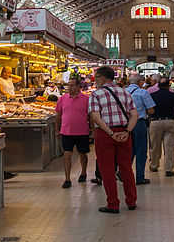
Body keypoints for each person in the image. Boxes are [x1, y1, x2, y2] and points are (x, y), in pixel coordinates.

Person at [88, 66, 138, 214]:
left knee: (107, 169)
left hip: (105, 134)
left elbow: (96, 116)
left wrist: (110, 133)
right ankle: (131, 201)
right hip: (124, 132)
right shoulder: (125, 93)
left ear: (103, 78)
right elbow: (134, 115)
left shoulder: (96, 94)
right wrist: (127, 131)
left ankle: (113, 204)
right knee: (126, 168)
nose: (95, 80)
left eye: (96, 77)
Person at [55, 76, 91, 189]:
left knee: (83, 154)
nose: (69, 87)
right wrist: (57, 129)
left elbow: (90, 116)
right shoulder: (62, 99)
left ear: (78, 86)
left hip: (82, 131)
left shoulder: (86, 99)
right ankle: (67, 179)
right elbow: (58, 115)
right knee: (67, 155)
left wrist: (93, 131)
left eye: (72, 85)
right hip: (66, 131)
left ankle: (84, 172)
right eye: (68, 85)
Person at [147, 78, 174, 176]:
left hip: (155, 122)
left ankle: (154, 165)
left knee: (155, 146)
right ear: (168, 85)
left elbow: (149, 110)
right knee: (169, 146)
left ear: (158, 86)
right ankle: (169, 169)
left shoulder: (152, 96)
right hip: (170, 122)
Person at [125, 73, 154, 184]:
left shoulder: (123, 92)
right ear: (140, 82)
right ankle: (139, 177)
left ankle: (124, 173)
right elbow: (151, 110)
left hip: (125, 124)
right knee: (141, 151)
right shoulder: (143, 92)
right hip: (139, 123)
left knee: (129, 150)